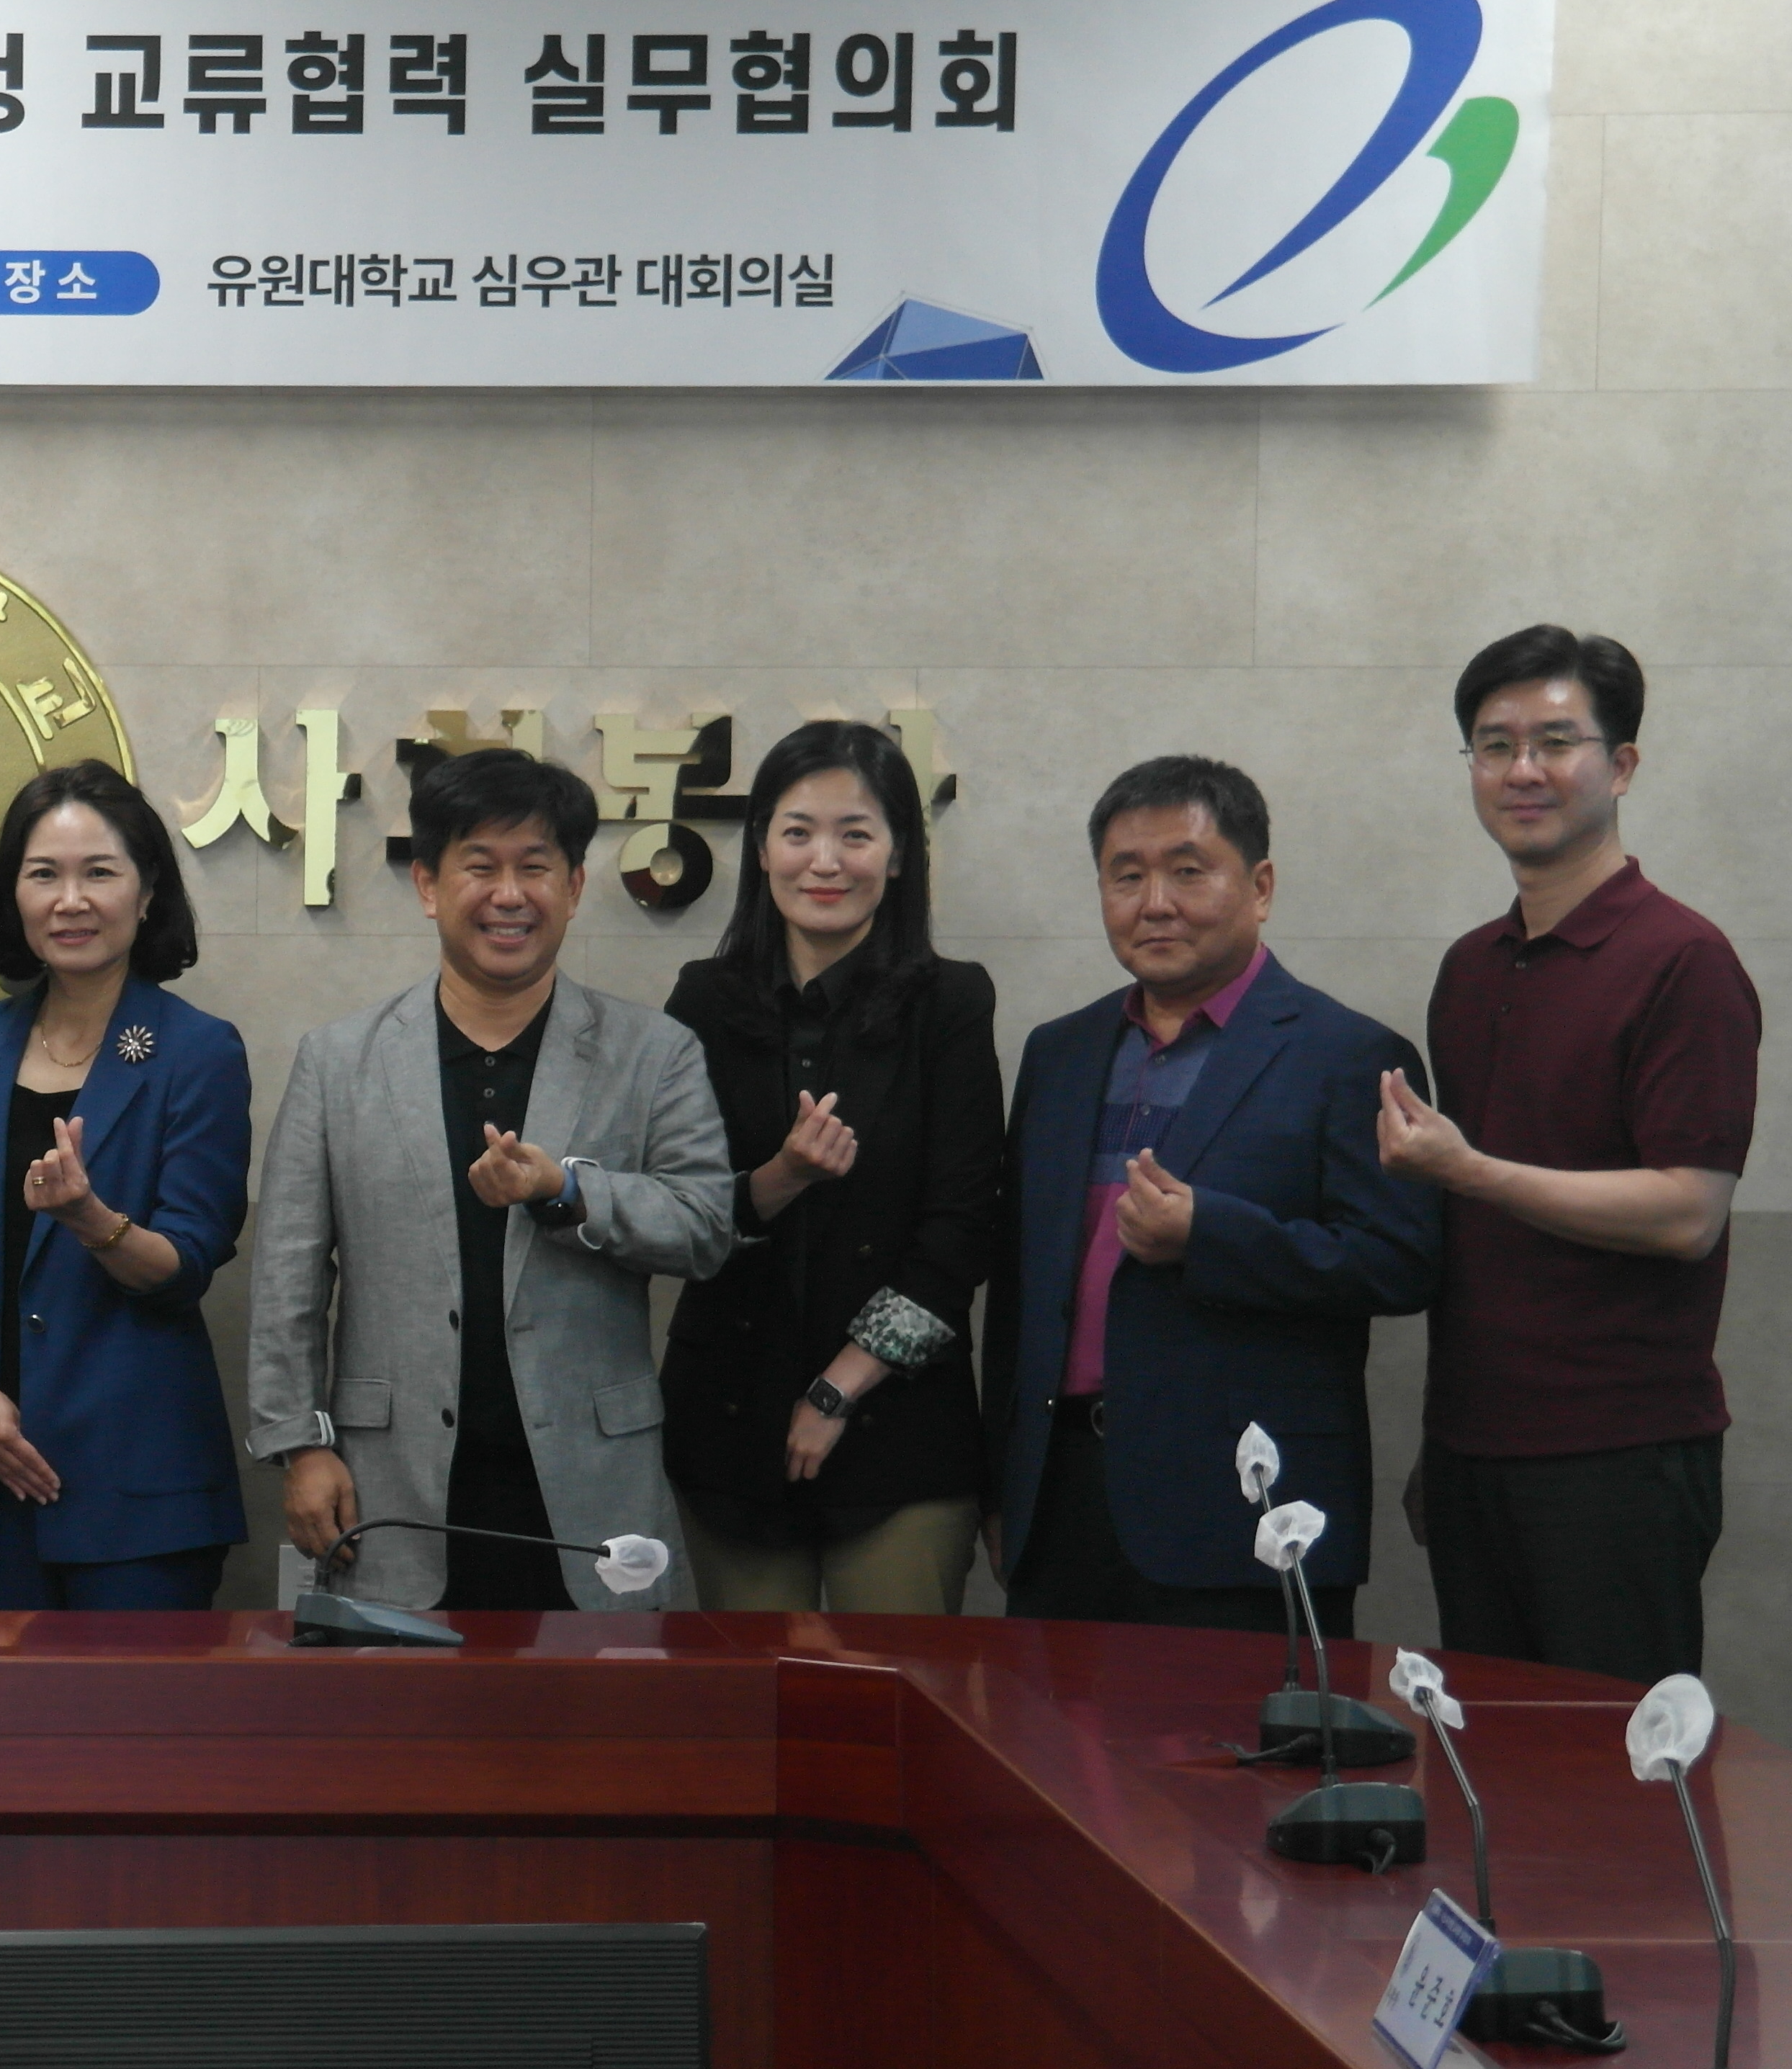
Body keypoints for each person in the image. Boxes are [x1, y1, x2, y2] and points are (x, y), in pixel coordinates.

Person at [246, 748, 731, 1613]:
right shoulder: (339, 1061)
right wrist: (301, 1445)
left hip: (591, 1488)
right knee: (402, 1704)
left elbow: (704, 1228)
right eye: (480, 866)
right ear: (429, 886)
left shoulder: (654, 1053)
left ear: (573, 888)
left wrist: (568, 1192)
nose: (510, 894)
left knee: (603, 1701)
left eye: (535, 868)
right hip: (391, 1488)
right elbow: (288, 1276)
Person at [1376, 627, 1759, 1684]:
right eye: (1494, 745)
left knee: (1613, 1766)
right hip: (1475, 1449)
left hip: (1619, 1457)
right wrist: (1443, 1439)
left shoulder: (1684, 960)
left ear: (1622, 764)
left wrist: (1467, 1169)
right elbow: (1478, 1249)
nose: (1523, 770)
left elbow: (1689, 1214)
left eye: (1556, 741)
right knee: (1495, 1758)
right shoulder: (1470, 968)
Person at [986, 757, 1438, 1635]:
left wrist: (1212, 1235)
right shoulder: (1059, 1053)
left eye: (1188, 871)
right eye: (1127, 876)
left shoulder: (1349, 1055)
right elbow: (1019, 1289)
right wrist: (1004, 1484)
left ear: (1260, 887)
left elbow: (1401, 1263)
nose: (1155, 903)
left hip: (1245, 1514)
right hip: (1061, 1500)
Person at [660, 724, 1001, 1615]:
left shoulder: (952, 1002)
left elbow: (962, 1231)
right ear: (761, 848)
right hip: (730, 1422)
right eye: (798, 831)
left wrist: (840, 1384)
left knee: (889, 1689)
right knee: (752, 1691)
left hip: (902, 1428)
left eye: (856, 834)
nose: (825, 861)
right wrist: (781, 1175)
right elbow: (679, 1214)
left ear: (899, 855)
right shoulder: (703, 1000)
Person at [0, 763, 253, 1611]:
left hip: (137, 1484)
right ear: (15, 896)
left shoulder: (198, 1051)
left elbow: (187, 1265)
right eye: (45, 874)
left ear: (147, 894)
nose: (71, 901)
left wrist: (89, 1218)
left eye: (99, 873)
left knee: (133, 1701)